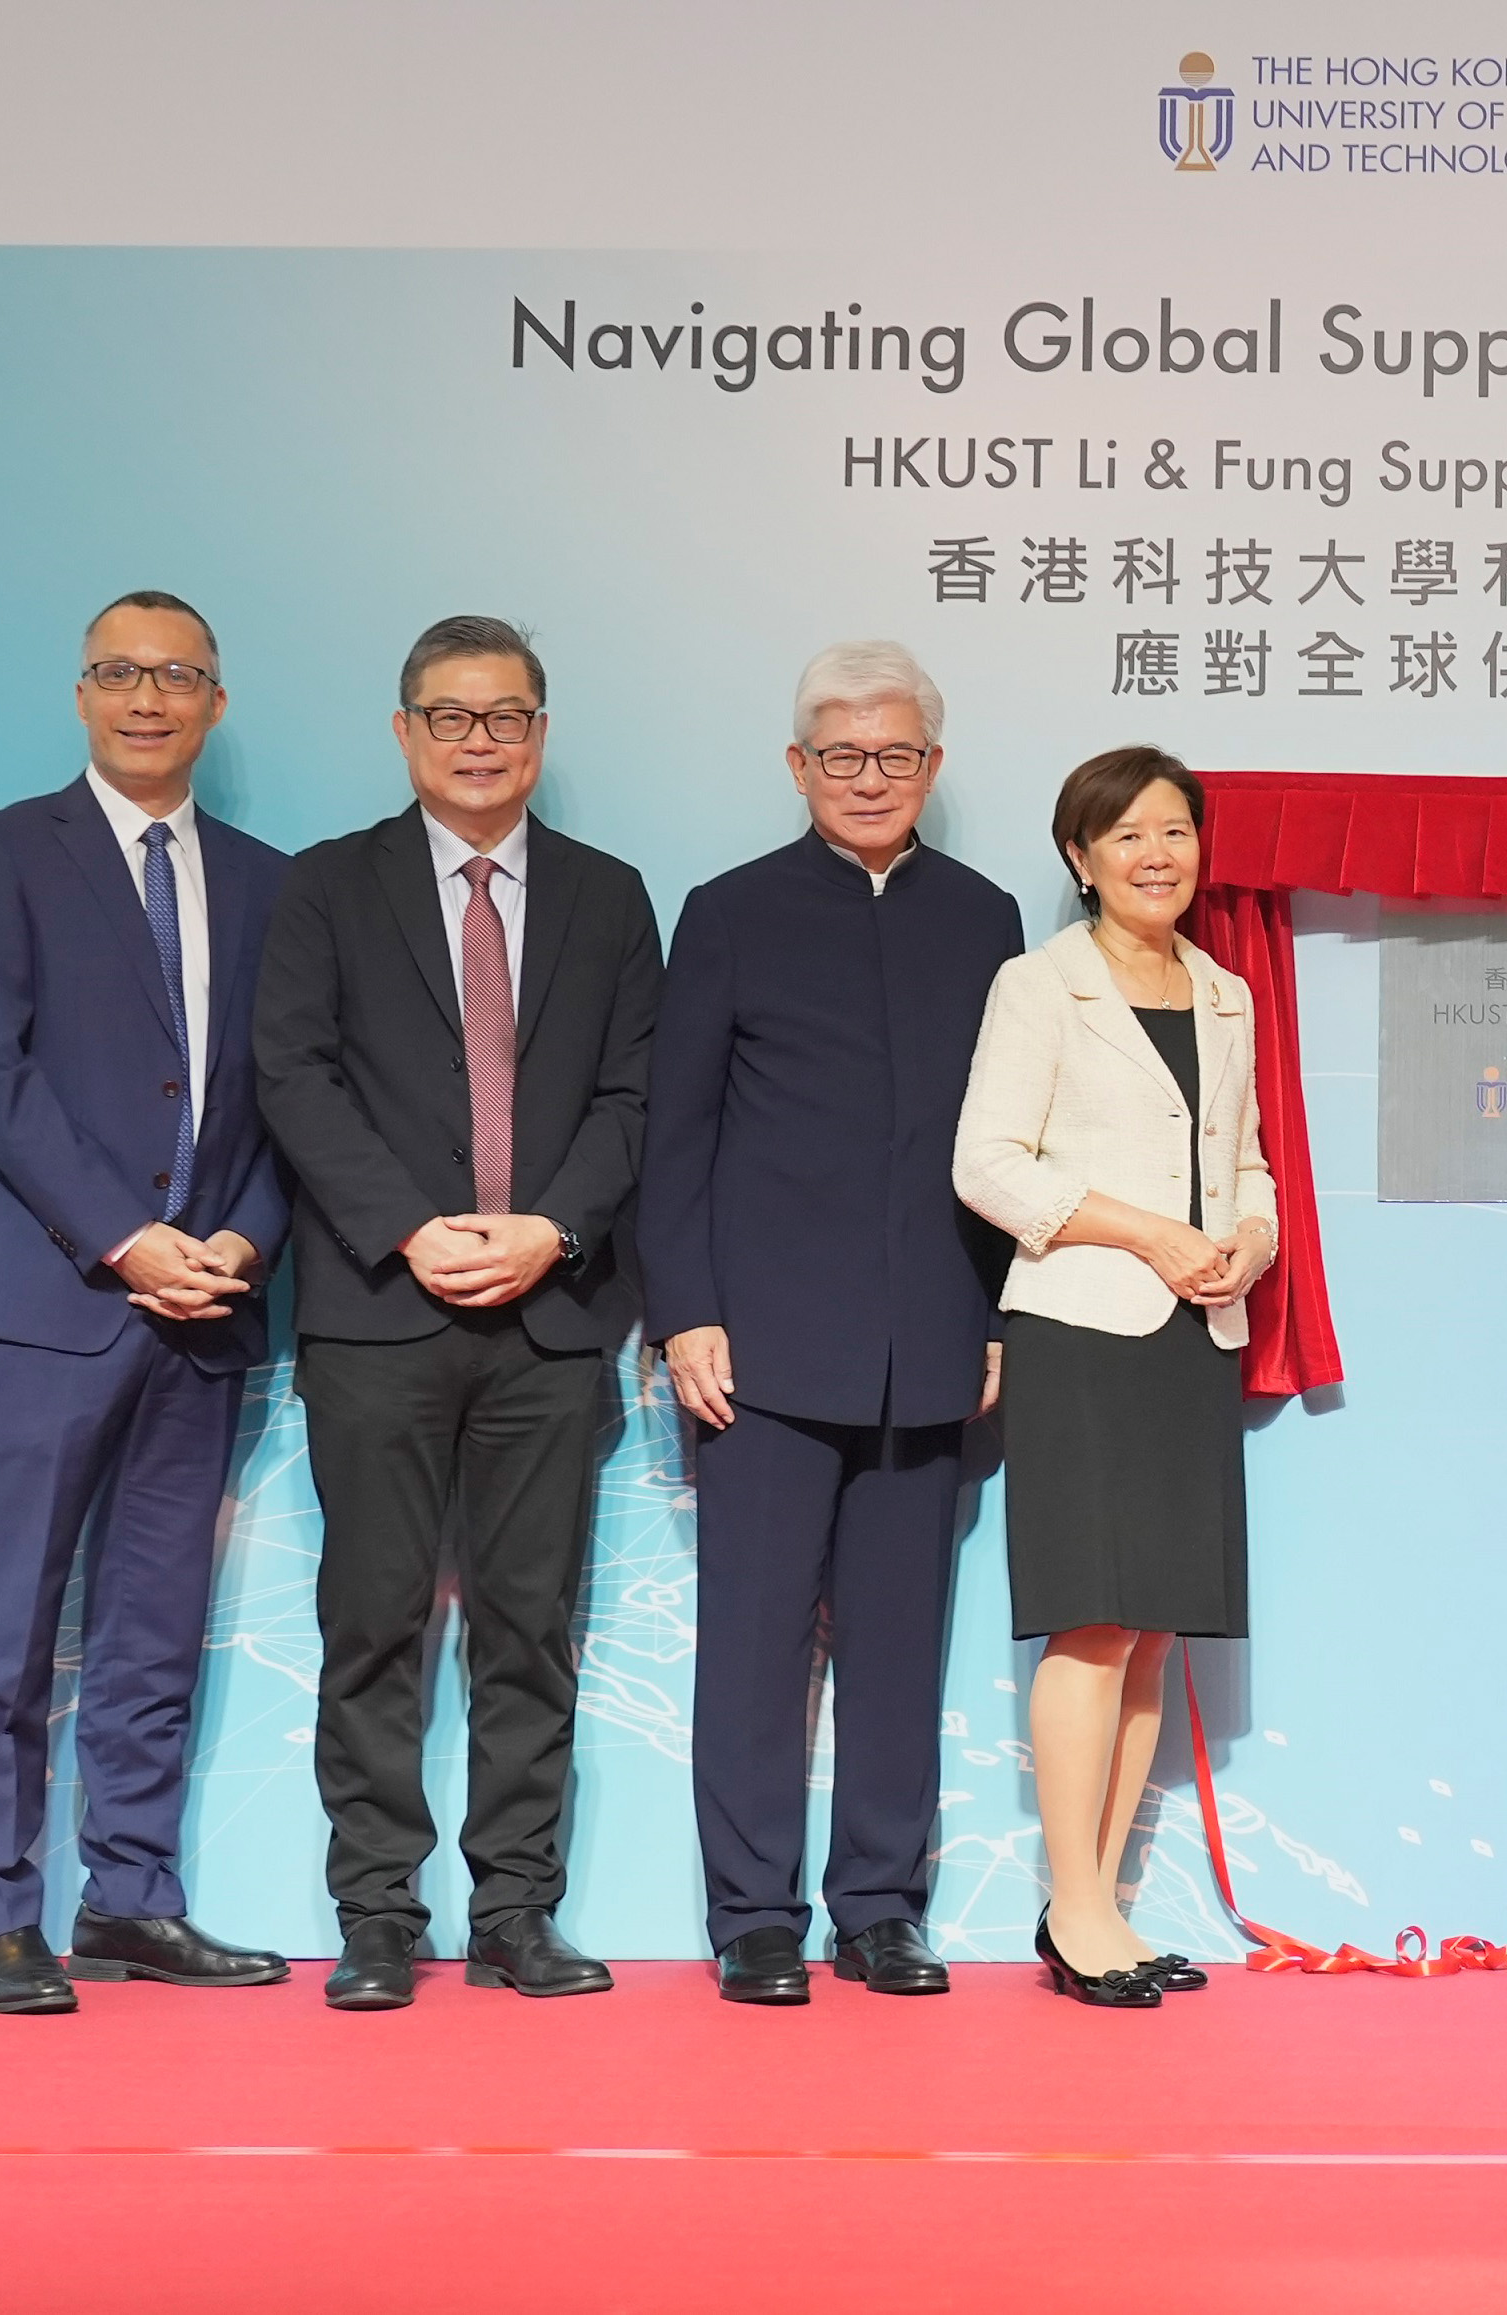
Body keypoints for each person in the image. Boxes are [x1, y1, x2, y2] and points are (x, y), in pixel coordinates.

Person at [253, 614, 662, 2011]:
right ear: (403, 730)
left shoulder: (611, 897)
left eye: (504, 716)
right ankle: (377, 1911)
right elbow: (293, 1074)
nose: (477, 739)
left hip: (550, 1321)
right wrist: (412, 1228)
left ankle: (517, 1910)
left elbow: (632, 1095)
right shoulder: (327, 887)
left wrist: (550, 1229)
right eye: (449, 715)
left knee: (527, 1626)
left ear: (539, 733)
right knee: (372, 1620)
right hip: (380, 1312)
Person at [0, 591, 294, 2013]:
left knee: (155, 1623)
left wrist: (241, 1245)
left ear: (215, 700)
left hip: (209, 1311)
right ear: (82, 693)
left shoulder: (266, 880)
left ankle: (131, 1898)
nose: (148, 697)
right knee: (5, 1620)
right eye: (120, 673)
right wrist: (128, 1235)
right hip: (49, 1297)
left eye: (177, 675)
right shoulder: (4, 848)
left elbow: (282, 1105)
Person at [646, 642, 1024, 2005]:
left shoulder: (984, 916)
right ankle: (753, 1913)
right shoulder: (730, 910)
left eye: (896, 754)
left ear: (933, 763)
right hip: (759, 1348)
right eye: (842, 755)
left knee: (898, 1643)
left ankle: (881, 1907)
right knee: (750, 1649)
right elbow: (673, 1131)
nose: (870, 779)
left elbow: (1001, 1140)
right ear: (800, 766)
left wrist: (989, 1314)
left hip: (930, 1342)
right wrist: (684, 1309)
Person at [953, 747, 1278, 2008]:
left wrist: (1243, 1242)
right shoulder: (1039, 987)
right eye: (1128, 834)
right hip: (1084, 1329)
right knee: (1092, 1618)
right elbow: (988, 1165)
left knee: (1148, 1631)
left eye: (1177, 831)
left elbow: (1244, 1168)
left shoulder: (1228, 992)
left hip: (1196, 1334)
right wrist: (1146, 1232)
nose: (1158, 853)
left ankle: (1109, 1906)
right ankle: (1074, 1909)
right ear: (1080, 858)